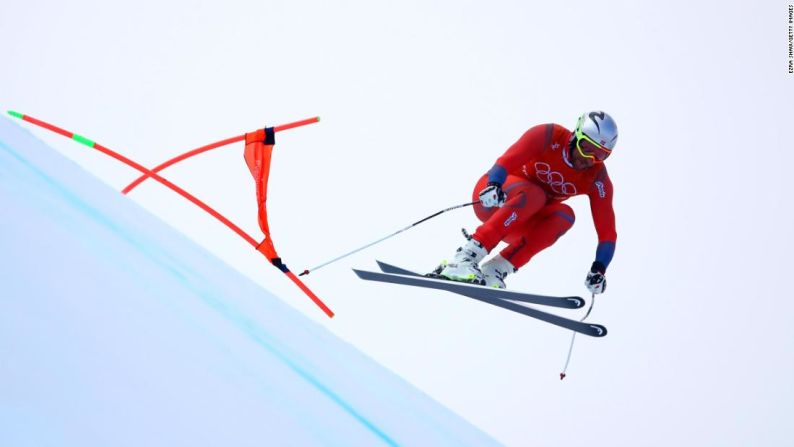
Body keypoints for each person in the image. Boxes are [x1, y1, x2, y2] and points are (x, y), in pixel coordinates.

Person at [435, 111, 618, 295]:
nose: (589, 160)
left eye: (600, 155)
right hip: (493, 198)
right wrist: (494, 184)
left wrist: (599, 269)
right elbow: (505, 162)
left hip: (519, 221)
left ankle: (495, 270)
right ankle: (464, 258)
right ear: (575, 135)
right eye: (586, 148)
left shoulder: (597, 178)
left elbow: (607, 233)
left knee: (565, 216)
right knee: (536, 194)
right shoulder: (550, 135)